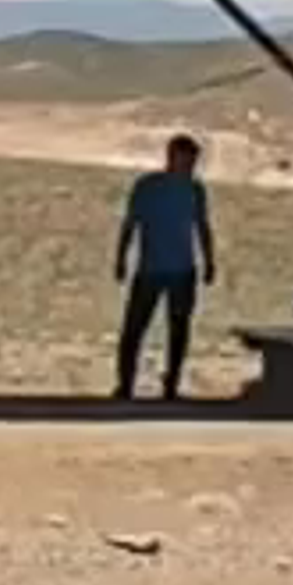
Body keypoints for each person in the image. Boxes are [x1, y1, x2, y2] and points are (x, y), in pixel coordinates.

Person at [114, 133, 218, 403]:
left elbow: (201, 226)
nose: (190, 167)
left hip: (183, 269)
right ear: (172, 157)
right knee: (135, 328)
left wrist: (208, 260)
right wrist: (121, 258)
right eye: (186, 160)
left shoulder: (195, 190)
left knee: (179, 330)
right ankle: (125, 383)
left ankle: (171, 384)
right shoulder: (148, 187)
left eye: (193, 162)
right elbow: (130, 224)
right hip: (150, 268)